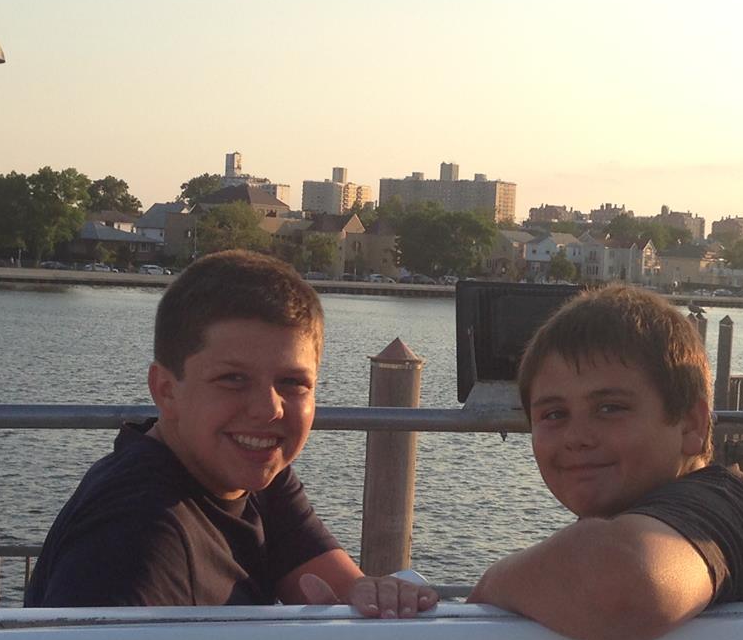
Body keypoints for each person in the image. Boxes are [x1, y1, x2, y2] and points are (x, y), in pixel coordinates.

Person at [26, 250, 436, 618]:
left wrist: (379, 594)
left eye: (293, 383)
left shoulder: (247, 472)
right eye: (233, 379)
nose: (268, 408)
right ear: (166, 390)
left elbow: (342, 591)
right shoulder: (140, 534)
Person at [469, 284, 743, 640]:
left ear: (691, 425)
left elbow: (620, 585)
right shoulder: (679, 509)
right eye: (554, 414)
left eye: (610, 408)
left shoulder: (716, 508)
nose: (576, 436)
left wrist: (490, 586)